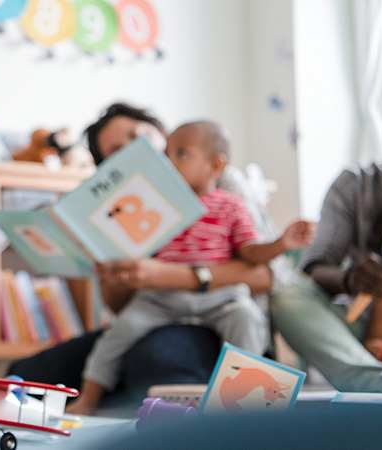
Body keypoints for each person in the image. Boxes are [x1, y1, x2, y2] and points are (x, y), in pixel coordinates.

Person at [8, 103, 286, 411]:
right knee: (24, 374)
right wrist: (109, 271)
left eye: (135, 134)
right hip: (157, 308)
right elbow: (121, 307)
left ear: (160, 134)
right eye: (115, 151)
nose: (132, 149)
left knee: (154, 363)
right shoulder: (122, 205)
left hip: (216, 314)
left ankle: (231, 406)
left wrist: (172, 276)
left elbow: (266, 275)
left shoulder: (224, 185)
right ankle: (109, 400)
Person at [65, 121, 314, 415]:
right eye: (167, 154)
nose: (169, 162)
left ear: (215, 165)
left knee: (246, 319)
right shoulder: (158, 205)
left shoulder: (231, 205)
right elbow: (137, 249)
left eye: (181, 154)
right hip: (160, 298)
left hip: (220, 297)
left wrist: (282, 243)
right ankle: (89, 398)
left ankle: (245, 405)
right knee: (118, 333)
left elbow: (251, 254)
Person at [270, 86, 382, 393]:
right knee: (288, 293)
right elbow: (315, 268)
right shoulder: (354, 186)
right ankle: (378, 383)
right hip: (360, 327)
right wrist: (351, 279)